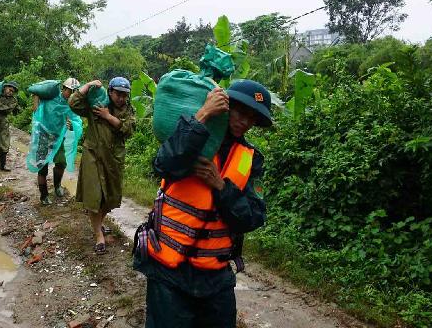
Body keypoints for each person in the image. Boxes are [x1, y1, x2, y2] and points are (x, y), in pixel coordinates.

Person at [132, 80, 271, 328]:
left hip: (216, 278)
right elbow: (163, 164)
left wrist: (220, 186)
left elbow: (253, 217)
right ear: (226, 107)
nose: (245, 122)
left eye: (253, 118)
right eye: (240, 112)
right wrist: (204, 113)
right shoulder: (194, 137)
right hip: (169, 274)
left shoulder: (250, 160)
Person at [69, 77, 136, 254]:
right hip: (93, 156)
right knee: (94, 197)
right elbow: (74, 103)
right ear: (110, 92)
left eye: (125, 95)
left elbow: (128, 130)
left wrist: (108, 116)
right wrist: (88, 85)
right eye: (118, 94)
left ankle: (99, 222)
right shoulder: (96, 103)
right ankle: (98, 234)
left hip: (114, 159)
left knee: (110, 198)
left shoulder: (127, 109)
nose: (121, 98)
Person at [32, 78, 81, 204]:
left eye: (74, 92)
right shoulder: (51, 96)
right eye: (70, 91)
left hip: (59, 139)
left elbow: (77, 121)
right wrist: (36, 104)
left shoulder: (72, 105)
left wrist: (72, 125)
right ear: (63, 89)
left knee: (61, 163)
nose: (71, 94)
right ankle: (44, 195)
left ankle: (57, 185)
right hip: (43, 136)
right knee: (42, 168)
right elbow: (36, 95)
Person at [0, 81, 20, 172]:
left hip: (3, 123)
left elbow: (5, 109)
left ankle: (2, 166)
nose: (10, 92)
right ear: (5, 88)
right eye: (9, 90)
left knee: (4, 144)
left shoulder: (13, 100)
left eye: (12, 91)